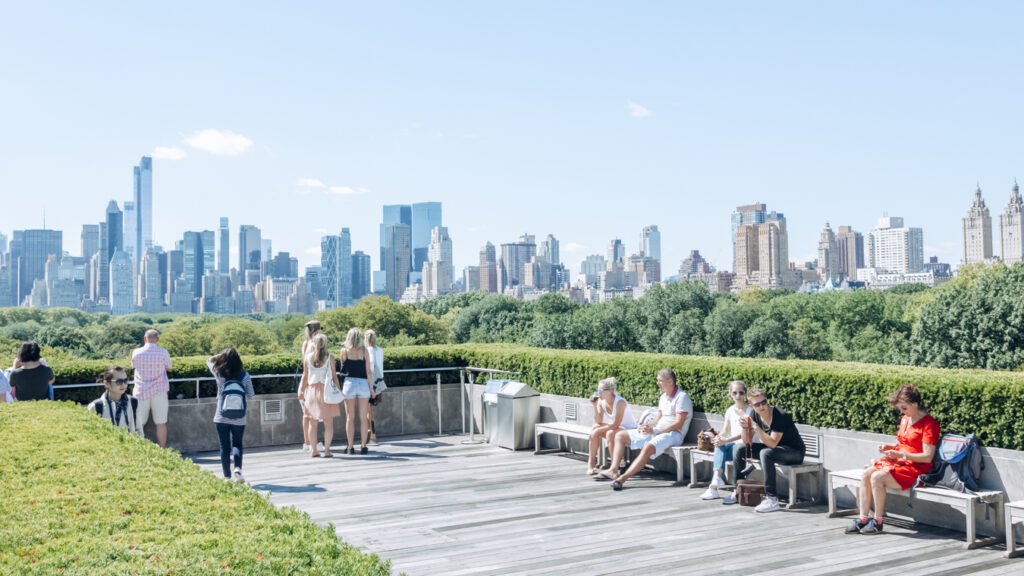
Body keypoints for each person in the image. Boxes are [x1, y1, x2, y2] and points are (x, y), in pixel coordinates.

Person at [845, 383, 939, 535]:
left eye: (904, 408)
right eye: (900, 409)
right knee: (866, 474)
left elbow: (927, 457)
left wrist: (902, 455)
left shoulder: (929, 424)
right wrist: (889, 448)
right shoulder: (906, 419)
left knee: (877, 477)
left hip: (916, 467)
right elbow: (903, 444)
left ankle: (878, 522)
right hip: (899, 461)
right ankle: (863, 519)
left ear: (915, 404)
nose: (902, 412)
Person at [599, 368, 692, 490]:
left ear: (670, 382)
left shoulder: (682, 397)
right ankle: (613, 470)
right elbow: (658, 419)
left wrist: (656, 431)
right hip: (658, 431)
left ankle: (622, 478)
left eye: (660, 380)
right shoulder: (663, 397)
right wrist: (648, 426)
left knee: (648, 447)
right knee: (620, 435)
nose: (657, 383)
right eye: (657, 380)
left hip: (673, 434)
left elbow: (678, 424)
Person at [724, 388, 806, 513]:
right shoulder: (754, 414)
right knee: (739, 448)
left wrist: (755, 427)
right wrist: (745, 428)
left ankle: (772, 499)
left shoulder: (780, 415)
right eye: (757, 405)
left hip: (794, 452)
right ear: (752, 406)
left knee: (766, 452)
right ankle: (738, 490)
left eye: (764, 402)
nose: (762, 407)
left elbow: (772, 443)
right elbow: (746, 442)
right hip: (776, 450)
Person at [208, 348, 256, 483]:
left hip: (221, 416)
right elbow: (251, 396)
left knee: (224, 447)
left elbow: (208, 361)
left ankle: (227, 477)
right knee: (237, 444)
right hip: (239, 417)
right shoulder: (245, 375)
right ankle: (237, 470)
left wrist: (220, 356)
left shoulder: (218, 373)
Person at [701, 380, 752, 500]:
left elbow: (746, 434)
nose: (738, 396)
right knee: (719, 445)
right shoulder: (730, 411)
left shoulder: (751, 410)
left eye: (741, 392)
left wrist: (726, 440)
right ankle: (715, 482)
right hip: (733, 446)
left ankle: (715, 484)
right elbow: (725, 430)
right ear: (730, 394)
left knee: (722, 446)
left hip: (747, 446)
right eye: (735, 393)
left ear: (745, 393)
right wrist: (718, 437)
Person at [297, 333, 341, 458]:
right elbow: (334, 376)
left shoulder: (308, 358)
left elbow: (305, 377)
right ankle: (327, 450)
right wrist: (339, 390)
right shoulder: (330, 357)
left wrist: (301, 392)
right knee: (328, 423)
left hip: (311, 391)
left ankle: (314, 450)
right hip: (326, 390)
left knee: (312, 422)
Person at [586, 377, 637, 476]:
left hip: (628, 429)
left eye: (601, 391)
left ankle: (614, 467)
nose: (598, 393)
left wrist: (598, 431)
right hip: (617, 428)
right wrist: (595, 406)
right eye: (597, 390)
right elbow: (599, 421)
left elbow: (616, 424)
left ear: (610, 391)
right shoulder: (601, 401)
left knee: (609, 433)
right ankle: (591, 463)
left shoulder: (620, 402)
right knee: (595, 427)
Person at [130, 329, 172, 448]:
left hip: (141, 391)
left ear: (145, 338)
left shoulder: (136, 352)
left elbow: (133, 366)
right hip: (159, 390)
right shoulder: (163, 352)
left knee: (139, 424)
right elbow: (169, 367)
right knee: (161, 423)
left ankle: (139, 450)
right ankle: (162, 449)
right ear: (157, 339)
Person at [340, 327, 375, 455]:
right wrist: (371, 389)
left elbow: (343, 369)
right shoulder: (364, 351)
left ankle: (350, 447)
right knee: (363, 418)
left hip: (349, 383)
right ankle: (363, 446)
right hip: (363, 383)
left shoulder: (344, 351)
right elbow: (368, 372)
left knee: (350, 417)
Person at [87, 366, 140, 435]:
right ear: (106, 383)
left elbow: (139, 431)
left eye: (126, 381)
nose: (123, 385)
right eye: (119, 382)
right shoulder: (96, 406)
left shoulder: (134, 402)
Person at [299, 320, 323, 452]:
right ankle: (314, 442)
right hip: (313, 382)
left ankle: (306, 442)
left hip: (305, 382)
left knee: (306, 414)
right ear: (318, 331)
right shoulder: (316, 345)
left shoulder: (305, 344)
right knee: (314, 415)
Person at [364, 329, 387, 445]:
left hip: (371, 383)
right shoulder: (380, 350)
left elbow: (371, 366)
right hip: (379, 382)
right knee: (371, 409)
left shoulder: (368, 350)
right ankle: (372, 434)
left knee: (369, 410)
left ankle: (372, 435)